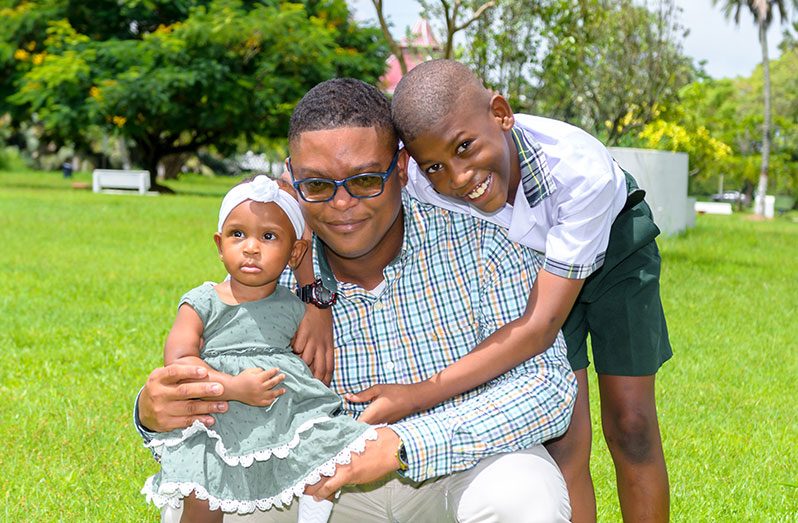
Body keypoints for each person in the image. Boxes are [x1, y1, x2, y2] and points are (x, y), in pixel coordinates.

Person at [135, 78, 576, 522]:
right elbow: (216, 381)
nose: (342, 203)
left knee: (524, 494)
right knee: (210, 505)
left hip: (455, 472)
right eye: (319, 185)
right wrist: (152, 412)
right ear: (293, 177)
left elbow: (548, 386)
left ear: (401, 168)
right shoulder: (274, 270)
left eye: (365, 180)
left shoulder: (480, 243)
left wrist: (405, 445)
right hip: (319, 489)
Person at [388, 59, 672, 522]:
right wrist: (311, 294)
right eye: (437, 165)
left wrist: (416, 394)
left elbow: (539, 327)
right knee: (564, 440)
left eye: (465, 147)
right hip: (527, 269)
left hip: (614, 246)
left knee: (632, 424)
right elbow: (312, 190)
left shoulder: (580, 172)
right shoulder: (418, 178)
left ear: (500, 113)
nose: (458, 178)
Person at [141, 175, 378, 523]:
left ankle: (312, 516)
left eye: (268, 237)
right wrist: (233, 386)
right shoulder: (203, 301)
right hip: (219, 414)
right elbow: (179, 360)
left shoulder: (296, 307)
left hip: (279, 415)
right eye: (238, 235)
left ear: (294, 252)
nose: (251, 247)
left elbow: (310, 365)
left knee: (328, 449)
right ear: (220, 245)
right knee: (205, 493)